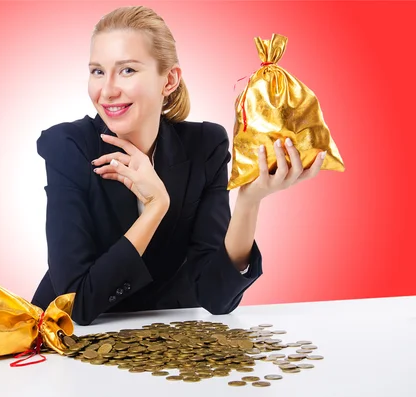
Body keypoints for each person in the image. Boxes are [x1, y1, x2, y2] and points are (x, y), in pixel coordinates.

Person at [30, 6, 326, 326]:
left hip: (169, 336)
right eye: (98, 71)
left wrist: (249, 201)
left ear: (169, 80)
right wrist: (157, 206)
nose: (107, 90)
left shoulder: (204, 147)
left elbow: (215, 297)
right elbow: (76, 305)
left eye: (127, 70)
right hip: (69, 343)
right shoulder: (67, 147)